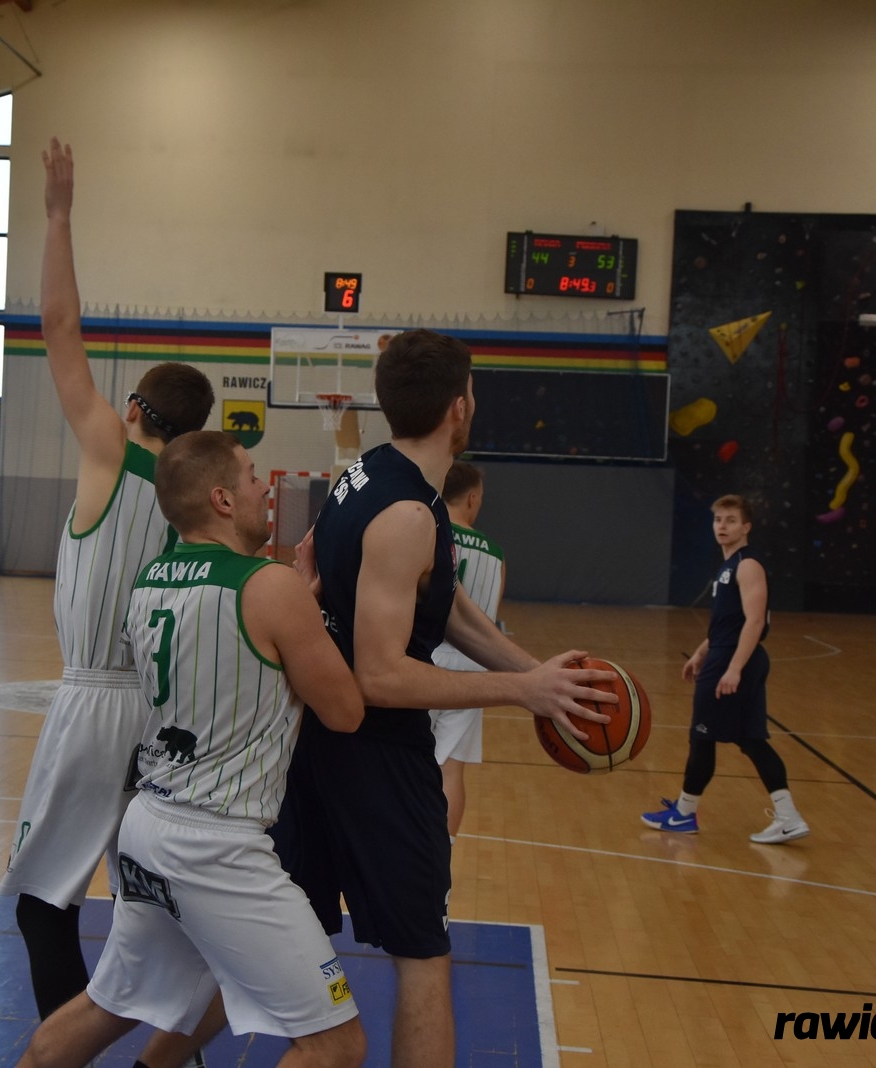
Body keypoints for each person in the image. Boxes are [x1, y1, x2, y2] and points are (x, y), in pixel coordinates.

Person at [272, 328, 616, 1068]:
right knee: (423, 956)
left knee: (294, 944)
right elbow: (381, 676)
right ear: (459, 406)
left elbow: (446, 602)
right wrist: (519, 690)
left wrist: (541, 678)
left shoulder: (372, 472)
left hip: (316, 746)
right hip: (375, 759)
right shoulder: (408, 514)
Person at [18, 432, 366, 1068]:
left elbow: (237, 641)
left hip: (150, 824)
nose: (264, 488)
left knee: (109, 1006)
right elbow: (344, 712)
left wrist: (294, 611)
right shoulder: (271, 588)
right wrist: (309, 616)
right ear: (222, 499)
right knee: (336, 1044)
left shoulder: (150, 581)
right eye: (252, 475)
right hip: (216, 845)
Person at [0, 135, 217, 1049]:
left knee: (43, 903)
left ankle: (65, 1051)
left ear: (132, 410)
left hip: (95, 703)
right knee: (149, 902)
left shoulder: (110, 452)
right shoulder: (203, 498)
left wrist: (58, 216)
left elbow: (58, 328)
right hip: (169, 714)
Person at [642, 495, 809, 844]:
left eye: (731, 520)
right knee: (752, 740)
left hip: (734, 661)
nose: (722, 526)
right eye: (718, 519)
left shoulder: (747, 565)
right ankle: (788, 817)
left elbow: (754, 621)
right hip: (726, 655)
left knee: (702, 737)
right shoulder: (728, 566)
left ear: (746, 527)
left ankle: (684, 814)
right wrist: (701, 652)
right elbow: (728, 623)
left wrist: (733, 668)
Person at [427, 461, 505, 841]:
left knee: (404, 760)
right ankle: (441, 855)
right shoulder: (496, 553)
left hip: (425, 661)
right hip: (472, 671)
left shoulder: (429, 534)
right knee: (451, 770)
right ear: (472, 497)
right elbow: (490, 622)